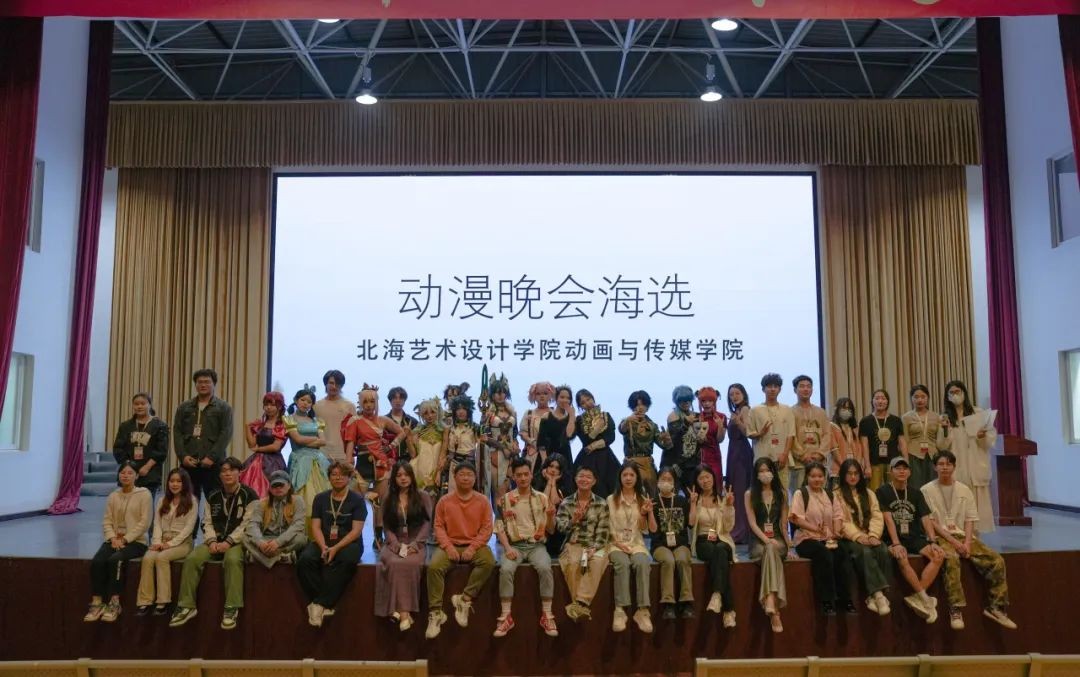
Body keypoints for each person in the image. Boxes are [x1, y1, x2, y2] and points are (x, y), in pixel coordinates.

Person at [920, 451, 1016, 631]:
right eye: (941, 464)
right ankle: (955, 609)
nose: (945, 467)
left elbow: (970, 519)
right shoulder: (926, 490)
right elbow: (931, 522)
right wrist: (956, 544)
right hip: (940, 537)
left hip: (963, 536)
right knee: (951, 558)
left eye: (948, 464)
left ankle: (996, 607)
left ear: (954, 467)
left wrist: (967, 543)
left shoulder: (964, 489)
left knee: (996, 560)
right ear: (934, 467)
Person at [169, 457, 259, 630]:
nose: (227, 474)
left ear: (240, 473)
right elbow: (207, 522)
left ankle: (231, 607)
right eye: (224, 471)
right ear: (219, 475)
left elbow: (248, 524)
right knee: (193, 558)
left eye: (232, 470)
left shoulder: (250, 495)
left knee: (232, 560)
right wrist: (211, 541)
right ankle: (186, 605)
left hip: (237, 542)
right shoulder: (213, 495)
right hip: (215, 541)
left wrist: (229, 541)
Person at [425, 462, 495, 639]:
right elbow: (438, 526)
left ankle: (464, 599)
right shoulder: (444, 501)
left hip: (475, 544)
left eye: (469, 475)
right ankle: (436, 613)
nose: (465, 478)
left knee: (488, 562)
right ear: (454, 478)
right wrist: (448, 547)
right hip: (451, 544)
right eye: (462, 474)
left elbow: (487, 528)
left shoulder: (483, 501)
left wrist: (473, 547)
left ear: (475, 478)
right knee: (434, 567)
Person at [296, 462, 367, 627]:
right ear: (329, 478)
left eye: (342, 475)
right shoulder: (320, 498)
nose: (338, 478)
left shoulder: (357, 500)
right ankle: (324, 603)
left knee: (347, 560)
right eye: (334, 474)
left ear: (349, 478)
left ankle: (318, 604)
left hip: (349, 542)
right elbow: (315, 527)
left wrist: (335, 548)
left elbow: (356, 531)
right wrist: (323, 547)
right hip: (324, 541)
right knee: (304, 560)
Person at [494, 458, 558, 638]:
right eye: (519, 475)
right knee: (506, 569)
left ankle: (547, 615)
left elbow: (551, 529)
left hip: (536, 546)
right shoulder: (505, 500)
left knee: (545, 567)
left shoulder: (542, 498)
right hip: (514, 545)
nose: (523, 478)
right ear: (513, 477)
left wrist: (551, 517)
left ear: (531, 475)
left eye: (526, 474)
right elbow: (499, 528)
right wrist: (507, 548)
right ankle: (506, 616)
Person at [877, 456, 943, 623]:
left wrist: (933, 541)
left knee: (938, 555)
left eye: (905, 468)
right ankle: (925, 598)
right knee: (901, 557)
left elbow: (925, 518)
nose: (901, 471)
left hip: (914, 537)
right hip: (892, 538)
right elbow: (888, 519)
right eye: (897, 468)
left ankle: (917, 597)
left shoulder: (916, 493)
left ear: (910, 472)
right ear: (890, 471)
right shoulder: (883, 491)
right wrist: (896, 543)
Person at [83, 463, 152, 623]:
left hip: (136, 541)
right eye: (122, 472)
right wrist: (112, 538)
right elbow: (107, 520)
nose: (125, 475)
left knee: (116, 560)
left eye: (130, 473)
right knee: (98, 561)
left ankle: (115, 603)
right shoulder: (113, 495)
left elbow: (144, 523)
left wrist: (125, 539)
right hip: (114, 540)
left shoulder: (144, 494)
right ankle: (97, 602)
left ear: (137, 475)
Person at [343, 384, 408, 551]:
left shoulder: (383, 420)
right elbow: (350, 443)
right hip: (362, 465)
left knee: (379, 503)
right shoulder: (354, 421)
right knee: (355, 500)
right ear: (360, 403)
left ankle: (378, 537)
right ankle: (352, 536)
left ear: (376, 402)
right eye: (365, 402)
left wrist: (392, 445)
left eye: (372, 401)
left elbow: (402, 432)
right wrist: (348, 463)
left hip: (381, 464)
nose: (368, 405)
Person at [790, 461, 855, 616]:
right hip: (806, 538)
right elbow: (796, 519)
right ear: (807, 477)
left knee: (842, 552)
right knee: (823, 554)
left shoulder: (830, 494)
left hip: (828, 538)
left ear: (824, 478)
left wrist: (836, 531)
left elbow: (838, 516)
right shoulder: (800, 493)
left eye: (820, 476)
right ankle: (827, 601)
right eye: (813, 476)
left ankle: (846, 599)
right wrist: (816, 529)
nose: (817, 479)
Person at [376, 461, 433, 632]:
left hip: (416, 542)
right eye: (399, 475)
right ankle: (405, 614)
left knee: (410, 563)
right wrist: (395, 544)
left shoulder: (423, 496)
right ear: (394, 478)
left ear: (412, 477)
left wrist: (416, 544)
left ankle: (398, 611)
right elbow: (387, 526)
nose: (403, 478)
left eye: (406, 475)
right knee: (393, 563)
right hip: (395, 542)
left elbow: (427, 524)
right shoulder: (389, 497)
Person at [136, 468, 197, 616]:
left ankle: (163, 601)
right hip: (162, 540)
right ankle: (145, 601)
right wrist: (157, 542)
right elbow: (157, 524)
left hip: (182, 543)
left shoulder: (192, 501)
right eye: (172, 481)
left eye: (178, 481)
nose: (174, 484)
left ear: (184, 483)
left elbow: (188, 529)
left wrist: (169, 544)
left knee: (162, 557)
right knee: (148, 558)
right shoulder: (162, 500)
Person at [837, 458, 893, 616]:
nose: (853, 477)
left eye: (856, 473)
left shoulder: (869, 493)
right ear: (843, 475)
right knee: (865, 552)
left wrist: (873, 535)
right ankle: (879, 595)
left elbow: (877, 516)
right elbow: (842, 521)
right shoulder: (837, 495)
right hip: (849, 538)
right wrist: (858, 536)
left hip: (869, 535)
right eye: (849, 473)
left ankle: (873, 596)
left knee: (882, 549)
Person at [939, 380, 997, 531]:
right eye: (951, 393)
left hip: (975, 464)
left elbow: (990, 440)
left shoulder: (978, 413)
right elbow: (941, 446)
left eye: (957, 391)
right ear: (947, 396)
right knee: (958, 500)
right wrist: (945, 431)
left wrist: (981, 436)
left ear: (964, 393)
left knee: (977, 505)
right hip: (957, 464)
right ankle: (959, 534)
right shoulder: (945, 418)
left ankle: (976, 536)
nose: (955, 395)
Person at [555, 466, 611, 623]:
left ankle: (580, 602)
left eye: (588, 477)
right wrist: (573, 521)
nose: (584, 479)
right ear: (575, 479)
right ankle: (578, 606)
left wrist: (595, 548)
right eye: (581, 476)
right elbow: (560, 528)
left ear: (594, 481)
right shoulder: (567, 502)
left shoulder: (602, 503)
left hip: (596, 544)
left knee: (597, 561)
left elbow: (603, 531)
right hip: (574, 544)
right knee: (573, 563)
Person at [607, 461, 657, 633]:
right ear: (619, 477)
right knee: (622, 563)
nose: (628, 478)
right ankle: (620, 610)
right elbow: (607, 526)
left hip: (636, 544)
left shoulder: (643, 499)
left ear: (637, 478)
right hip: (615, 544)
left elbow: (647, 529)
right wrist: (618, 543)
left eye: (631, 475)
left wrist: (645, 513)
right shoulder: (611, 499)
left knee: (642, 563)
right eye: (625, 475)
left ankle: (642, 611)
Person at [745, 457, 791, 633]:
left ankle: (770, 600)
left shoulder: (782, 493)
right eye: (761, 471)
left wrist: (789, 546)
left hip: (778, 539)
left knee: (772, 549)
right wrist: (766, 540)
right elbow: (752, 523)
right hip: (758, 541)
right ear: (756, 475)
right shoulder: (749, 494)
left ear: (773, 472)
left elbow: (783, 524)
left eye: (767, 470)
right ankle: (774, 607)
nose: (765, 474)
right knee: (769, 549)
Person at [173, 368, 234, 501]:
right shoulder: (184, 407)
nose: (203, 385)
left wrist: (211, 457)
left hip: (213, 464)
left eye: (207, 382)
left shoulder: (224, 407)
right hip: (189, 462)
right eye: (200, 382)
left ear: (214, 384)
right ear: (195, 384)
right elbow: (177, 432)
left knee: (215, 501)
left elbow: (226, 433)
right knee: (188, 501)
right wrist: (183, 456)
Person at [689, 464, 737, 627]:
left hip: (722, 539)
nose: (705, 481)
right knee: (720, 555)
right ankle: (728, 610)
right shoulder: (695, 499)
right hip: (703, 541)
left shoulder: (722, 499)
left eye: (707, 477)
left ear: (713, 478)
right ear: (697, 481)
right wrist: (693, 504)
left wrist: (729, 506)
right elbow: (691, 524)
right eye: (701, 478)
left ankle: (717, 594)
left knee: (720, 549)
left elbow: (728, 528)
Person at [285, 388, 331, 531]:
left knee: (323, 493)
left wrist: (305, 441)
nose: (305, 403)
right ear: (296, 400)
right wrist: (314, 440)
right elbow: (297, 439)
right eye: (303, 400)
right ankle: (302, 530)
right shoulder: (289, 419)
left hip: (318, 460)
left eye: (309, 402)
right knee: (305, 496)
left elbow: (323, 441)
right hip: (300, 460)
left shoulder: (317, 421)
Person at [651, 466, 694, 620]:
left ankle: (686, 601)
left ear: (674, 482)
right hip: (660, 545)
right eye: (663, 479)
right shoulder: (653, 502)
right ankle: (668, 604)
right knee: (668, 560)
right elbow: (652, 530)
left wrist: (693, 503)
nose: (666, 482)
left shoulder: (681, 501)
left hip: (680, 544)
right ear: (657, 481)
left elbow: (691, 524)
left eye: (669, 479)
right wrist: (649, 512)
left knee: (682, 559)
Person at [245, 470, 307, 568]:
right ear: (270, 488)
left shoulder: (298, 501)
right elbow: (253, 525)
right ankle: (281, 557)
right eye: (275, 486)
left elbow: (298, 525)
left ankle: (259, 556)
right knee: (244, 537)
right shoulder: (261, 503)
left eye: (281, 485)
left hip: (286, 539)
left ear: (289, 486)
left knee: (301, 539)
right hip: (266, 539)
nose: (278, 488)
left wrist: (278, 542)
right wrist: (260, 543)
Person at [112, 392, 169, 498]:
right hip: (129, 473)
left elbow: (161, 451)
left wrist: (147, 467)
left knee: (146, 504)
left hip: (150, 472)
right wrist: (129, 467)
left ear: (149, 405)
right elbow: (118, 448)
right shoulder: (125, 426)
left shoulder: (160, 426)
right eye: (136, 404)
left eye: (143, 403)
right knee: (127, 504)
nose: (139, 406)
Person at [618, 390, 672, 496]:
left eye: (643, 404)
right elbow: (622, 429)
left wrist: (666, 439)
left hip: (647, 463)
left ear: (647, 407)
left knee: (651, 493)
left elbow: (663, 445)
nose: (640, 408)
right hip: (631, 462)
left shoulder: (652, 425)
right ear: (632, 407)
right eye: (637, 405)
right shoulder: (627, 422)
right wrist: (628, 420)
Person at [748, 373, 797, 494]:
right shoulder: (755, 410)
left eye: (776, 386)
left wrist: (785, 454)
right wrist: (760, 433)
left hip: (781, 459)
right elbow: (749, 433)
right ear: (763, 389)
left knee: (783, 492)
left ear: (780, 389)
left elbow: (791, 434)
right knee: (762, 492)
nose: (773, 389)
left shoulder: (787, 409)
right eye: (769, 386)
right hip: (762, 459)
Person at [238, 391, 288, 498]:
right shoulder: (260, 424)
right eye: (266, 404)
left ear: (279, 406)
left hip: (273, 462)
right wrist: (247, 428)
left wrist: (258, 449)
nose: (268, 407)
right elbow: (252, 445)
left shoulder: (281, 425)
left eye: (272, 405)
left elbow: (275, 447)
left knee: (271, 491)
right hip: (255, 462)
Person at [573, 389, 620, 499]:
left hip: (606, 456)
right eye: (583, 403)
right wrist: (596, 430)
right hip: (587, 456)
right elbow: (585, 440)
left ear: (593, 398)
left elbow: (611, 437)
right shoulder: (579, 420)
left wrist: (594, 445)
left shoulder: (606, 415)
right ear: (580, 406)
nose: (587, 403)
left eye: (588, 399)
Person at [858, 389, 907, 491]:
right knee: (874, 491)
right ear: (872, 401)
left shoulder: (896, 420)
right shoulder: (865, 421)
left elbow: (902, 443)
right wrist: (867, 466)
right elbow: (864, 446)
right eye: (877, 398)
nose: (880, 401)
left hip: (893, 463)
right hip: (874, 463)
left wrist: (906, 462)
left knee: (893, 490)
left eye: (883, 398)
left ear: (887, 401)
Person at [480, 373, 518, 502]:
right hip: (494, 454)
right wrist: (502, 448)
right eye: (497, 392)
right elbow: (484, 436)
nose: (500, 395)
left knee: (512, 491)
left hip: (511, 456)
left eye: (503, 392)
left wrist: (515, 444)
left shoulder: (512, 411)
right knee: (497, 492)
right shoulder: (488, 413)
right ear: (492, 394)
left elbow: (515, 432)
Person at [790, 375, 830, 493]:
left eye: (808, 386)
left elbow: (827, 435)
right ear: (795, 390)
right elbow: (791, 437)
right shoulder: (790, 412)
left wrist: (819, 454)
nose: (806, 389)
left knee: (820, 496)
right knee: (800, 495)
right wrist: (803, 456)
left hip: (819, 463)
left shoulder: (821, 412)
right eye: (802, 386)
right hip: (799, 464)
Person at [901, 385, 945, 490]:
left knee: (933, 487)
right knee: (915, 487)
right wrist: (906, 460)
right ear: (911, 398)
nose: (919, 400)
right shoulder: (906, 417)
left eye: (923, 397)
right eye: (916, 397)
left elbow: (940, 439)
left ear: (928, 398)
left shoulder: (936, 416)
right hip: (913, 455)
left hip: (932, 455)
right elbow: (904, 440)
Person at [726, 384, 754, 544]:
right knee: (734, 490)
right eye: (731, 394)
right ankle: (736, 527)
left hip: (742, 453)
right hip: (733, 452)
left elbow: (747, 432)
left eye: (737, 393)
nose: (734, 396)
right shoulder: (736, 411)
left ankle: (742, 530)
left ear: (744, 394)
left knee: (741, 490)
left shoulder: (745, 409)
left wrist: (737, 422)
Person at [439, 394, 482, 497]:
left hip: (469, 464)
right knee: (451, 495)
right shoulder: (449, 427)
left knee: (469, 494)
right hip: (453, 464)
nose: (461, 412)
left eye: (464, 409)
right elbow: (444, 447)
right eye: (458, 409)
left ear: (469, 410)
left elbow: (481, 448)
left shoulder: (475, 427)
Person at [313, 369, 354, 464]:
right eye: (331, 383)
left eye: (338, 384)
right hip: (320, 454)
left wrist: (350, 456)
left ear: (342, 386)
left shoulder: (349, 406)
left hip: (342, 455)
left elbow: (353, 434)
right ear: (325, 384)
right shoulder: (316, 406)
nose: (334, 386)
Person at [663, 385, 699, 491]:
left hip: (691, 461)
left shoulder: (696, 415)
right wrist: (686, 424)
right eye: (682, 400)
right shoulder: (673, 416)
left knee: (692, 492)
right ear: (677, 401)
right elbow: (675, 439)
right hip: (675, 461)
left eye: (688, 400)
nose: (686, 403)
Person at [538, 453, 573, 559]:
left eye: (557, 468)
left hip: (558, 523)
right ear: (546, 467)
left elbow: (555, 501)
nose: (553, 470)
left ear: (561, 471)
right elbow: (542, 501)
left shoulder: (567, 483)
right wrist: (549, 482)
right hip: (539, 520)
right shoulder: (537, 480)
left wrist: (553, 482)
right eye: (551, 466)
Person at [410, 396, 446, 491]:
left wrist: (439, 472)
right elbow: (413, 454)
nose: (429, 416)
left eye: (432, 412)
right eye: (426, 413)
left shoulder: (444, 430)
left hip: (438, 468)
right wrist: (408, 438)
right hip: (420, 468)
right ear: (422, 415)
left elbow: (443, 453)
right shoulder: (417, 431)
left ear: (437, 412)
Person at [695, 387, 728, 486]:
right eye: (703, 401)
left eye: (710, 401)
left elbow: (720, 440)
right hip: (701, 456)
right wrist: (700, 437)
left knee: (716, 481)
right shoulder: (696, 417)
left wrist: (720, 426)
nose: (706, 404)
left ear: (714, 401)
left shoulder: (721, 416)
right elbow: (697, 441)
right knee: (703, 483)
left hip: (715, 454)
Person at [829, 397, 865, 488]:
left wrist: (857, 466)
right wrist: (845, 467)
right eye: (844, 408)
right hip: (838, 469)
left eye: (849, 409)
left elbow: (859, 448)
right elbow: (834, 449)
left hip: (854, 471)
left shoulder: (855, 428)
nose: (846, 411)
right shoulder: (832, 426)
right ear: (837, 409)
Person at [385, 386, 419, 463]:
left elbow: (417, 444)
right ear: (390, 400)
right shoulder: (383, 420)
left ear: (404, 400)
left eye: (401, 398)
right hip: (389, 461)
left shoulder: (413, 421)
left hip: (409, 461)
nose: (398, 401)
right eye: (395, 398)